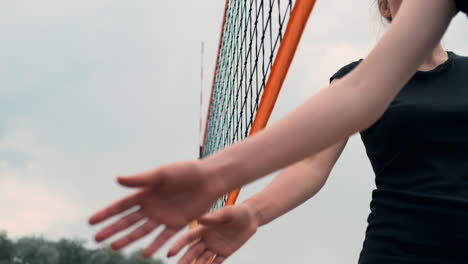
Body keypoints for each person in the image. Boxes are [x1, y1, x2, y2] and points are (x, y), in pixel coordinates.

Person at [89, 0, 468, 262]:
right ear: (387, 9)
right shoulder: (355, 78)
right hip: (402, 246)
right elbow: (311, 164)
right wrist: (242, 200)